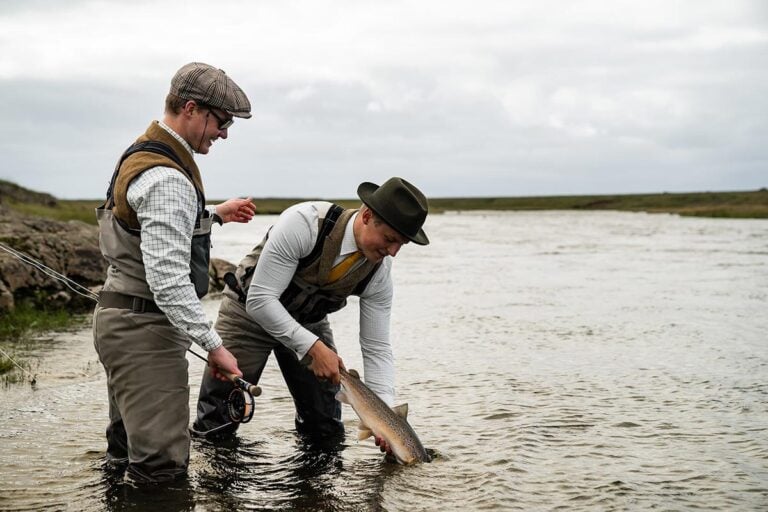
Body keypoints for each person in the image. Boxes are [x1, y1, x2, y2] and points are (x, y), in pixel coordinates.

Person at [93, 62, 256, 483]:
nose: (224, 133)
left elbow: (153, 226)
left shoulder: (144, 155)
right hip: (145, 333)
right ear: (191, 108)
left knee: (125, 451)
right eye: (221, 122)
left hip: (123, 322)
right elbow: (167, 280)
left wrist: (215, 216)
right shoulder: (168, 177)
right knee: (161, 470)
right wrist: (214, 345)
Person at [193, 177, 429, 453]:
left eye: (400, 244)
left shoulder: (380, 275)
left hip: (309, 320)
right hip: (249, 312)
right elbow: (261, 300)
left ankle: (314, 494)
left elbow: (376, 348)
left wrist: (386, 417)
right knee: (218, 419)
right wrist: (313, 348)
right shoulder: (304, 223)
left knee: (325, 428)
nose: (393, 252)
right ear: (366, 216)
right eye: (389, 239)